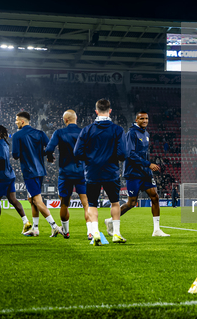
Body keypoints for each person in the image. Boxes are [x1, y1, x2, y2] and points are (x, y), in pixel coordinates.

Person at [105, 111, 169, 237]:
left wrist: (148, 167)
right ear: (136, 119)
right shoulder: (132, 133)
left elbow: (145, 153)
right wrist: (148, 164)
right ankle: (111, 220)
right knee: (132, 203)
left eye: (146, 118)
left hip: (145, 173)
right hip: (133, 173)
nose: (145, 120)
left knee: (155, 196)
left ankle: (156, 230)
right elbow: (130, 154)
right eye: (142, 119)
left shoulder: (146, 134)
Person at [74, 99, 126, 245]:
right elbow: (123, 154)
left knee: (92, 204)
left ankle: (95, 232)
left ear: (96, 111)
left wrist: (90, 159)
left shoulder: (87, 130)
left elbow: (77, 152)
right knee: (115, 203)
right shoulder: (118, 130)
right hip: (111, 172)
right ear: (110, 111)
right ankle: (116, 234)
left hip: (92, 172)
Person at [12, 112, 63, 238]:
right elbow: (49, 147)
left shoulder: (17, 135)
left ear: (22, 122)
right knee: (31, 200)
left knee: (37, 200)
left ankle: (55, 226)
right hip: (40, 170)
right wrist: (49, 156)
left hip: (29, 172)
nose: (16, 122)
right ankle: (35, 229)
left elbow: (15, 154)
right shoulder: (40, 133)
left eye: (17, 120)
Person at [45, 110, 90, 239]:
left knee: (64, 203)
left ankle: (66, 231)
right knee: (86, 204)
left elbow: (49, 149)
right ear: (76, 118)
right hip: (82, 172)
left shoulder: (59, 133)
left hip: (65, 173)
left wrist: (49, 156)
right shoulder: (84, 132)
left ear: (65, 120)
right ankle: (90, 232)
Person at [0, 125, 31, 235]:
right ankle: (26, 221)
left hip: (0, 176)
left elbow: (1, 159)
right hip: (10, 175)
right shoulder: (4, 143)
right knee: (13, 200)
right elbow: (0, 157)